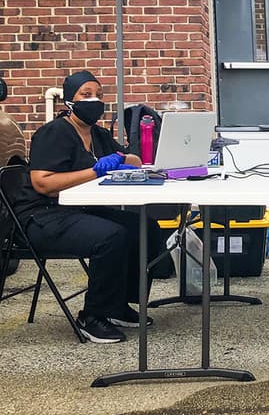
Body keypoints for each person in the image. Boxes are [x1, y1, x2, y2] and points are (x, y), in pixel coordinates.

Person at [14, 70, 163, 344]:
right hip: (42, 216)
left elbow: (133, 160)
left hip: (78, 210)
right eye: (86, 95)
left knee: (144, 228)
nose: (94, 101)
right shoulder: (54, 133)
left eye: (98, 95)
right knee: (112, 236)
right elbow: (43, 183)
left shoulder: (98, 134)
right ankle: (92, 317)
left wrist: (122, 158)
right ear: (70, 101)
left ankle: (117, 305)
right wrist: (95, 171)